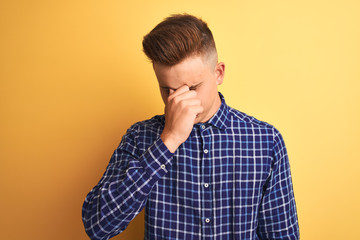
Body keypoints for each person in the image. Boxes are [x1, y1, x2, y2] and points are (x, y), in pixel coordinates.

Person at [82, 13, 300, 240]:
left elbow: (281, 235)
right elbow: (98, 227)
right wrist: (169, 140)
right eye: (167, 89)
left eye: (192, 88)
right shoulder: (140, 137)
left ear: (219, 73)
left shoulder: (265, 140)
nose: (178, 101)